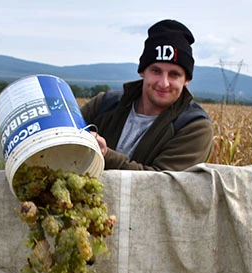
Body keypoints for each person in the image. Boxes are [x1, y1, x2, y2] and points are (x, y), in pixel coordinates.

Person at [80, 19, 213, 171]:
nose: (164, 83)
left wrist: (104, 154)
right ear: (142, 71)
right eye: (156, 71)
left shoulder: (194, 126)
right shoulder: (105, 104)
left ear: (187, 79)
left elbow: (161, 185)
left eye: (174, 74)